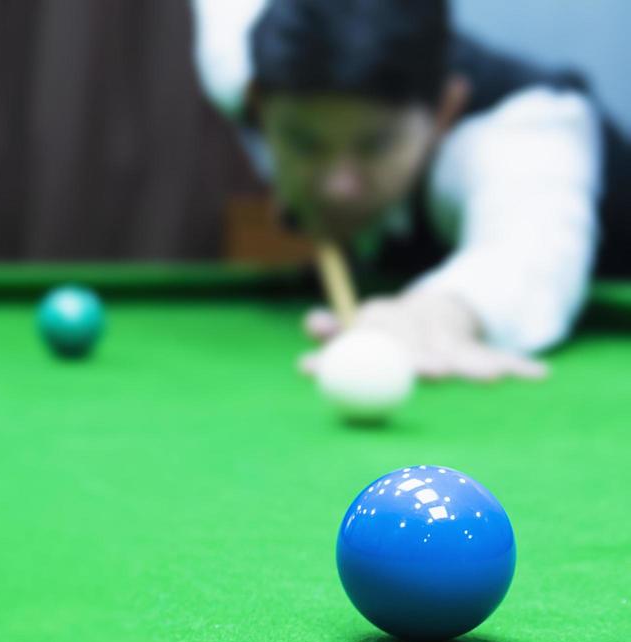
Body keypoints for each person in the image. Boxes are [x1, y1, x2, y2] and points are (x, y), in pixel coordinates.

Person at [192, 0, 631, 380]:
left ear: (445, 110)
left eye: (375, 146)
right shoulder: (237, 63)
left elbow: (530, 248)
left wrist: (441, 312)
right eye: (304, 142)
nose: (337, 187)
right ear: (257, 105)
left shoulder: (521, 129)